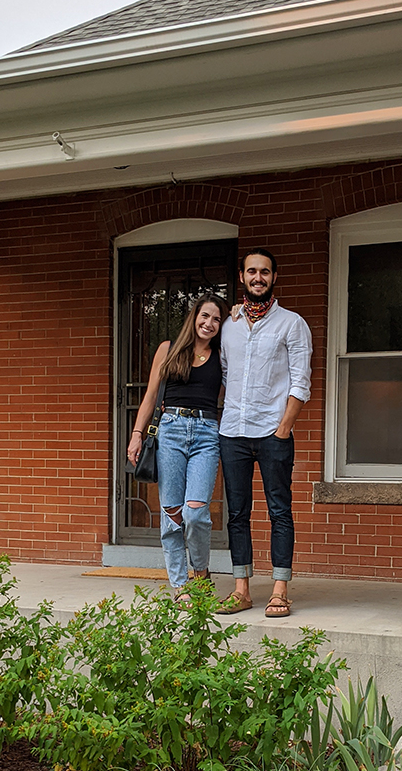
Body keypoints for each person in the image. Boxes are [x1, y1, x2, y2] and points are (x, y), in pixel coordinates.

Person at [216, 250, 311, 617]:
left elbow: (301, 381)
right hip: (233, 432)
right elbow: (225, 375)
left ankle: (280, 590)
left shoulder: (292, 324)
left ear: (274, 277)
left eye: (265, 272)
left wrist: (283, 429)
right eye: (252, 271)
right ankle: (241, 590)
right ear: (242, 276)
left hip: (273, 432)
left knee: (279, 511)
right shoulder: (230, 325)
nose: (258, 277)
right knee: (237, 513)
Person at [127, 294, 229, 601]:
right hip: (170, 430)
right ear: (194, 316)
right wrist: (137, 433)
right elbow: (150, 395)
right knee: (172, 512)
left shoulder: (222, 355)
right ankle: (180, 585)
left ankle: (201, 572)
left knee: (195, 513)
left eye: (217, 319)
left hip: (207, 432)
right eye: (205, 316)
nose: (209, 323)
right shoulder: (168, 349)